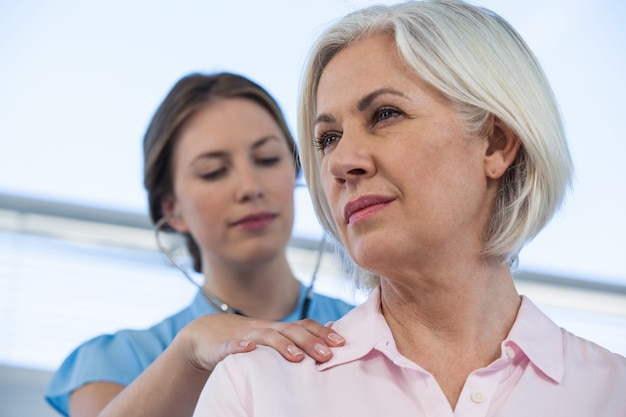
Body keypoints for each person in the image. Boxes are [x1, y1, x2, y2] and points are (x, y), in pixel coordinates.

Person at [192, 1, 626, 416]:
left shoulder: (614, 393)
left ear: (495, 143)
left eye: (385, 114)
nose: (342, 162)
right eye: (328, 138)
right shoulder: (255, 388)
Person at [45, 72, 353, 417]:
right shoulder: (114, 362)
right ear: (171, 209)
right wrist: (189, 352)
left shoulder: (366, 327)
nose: (250, 187)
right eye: (213, 171)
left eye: (267, 159)